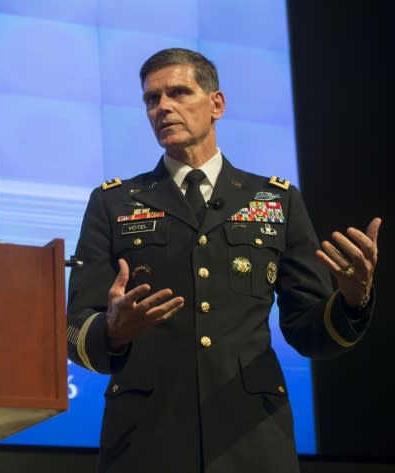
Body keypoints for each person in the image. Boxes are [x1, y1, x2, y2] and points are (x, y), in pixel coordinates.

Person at [66, 47, 381, 473]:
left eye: (178, 92)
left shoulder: (274, 200)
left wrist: (352, 300)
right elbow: (74, 329)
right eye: (151, 99)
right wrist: (113, 331)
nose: (163, 107)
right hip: (146, 437)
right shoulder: (114, 202)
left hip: (252, 434)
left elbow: (309, 332)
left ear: (217, 104)